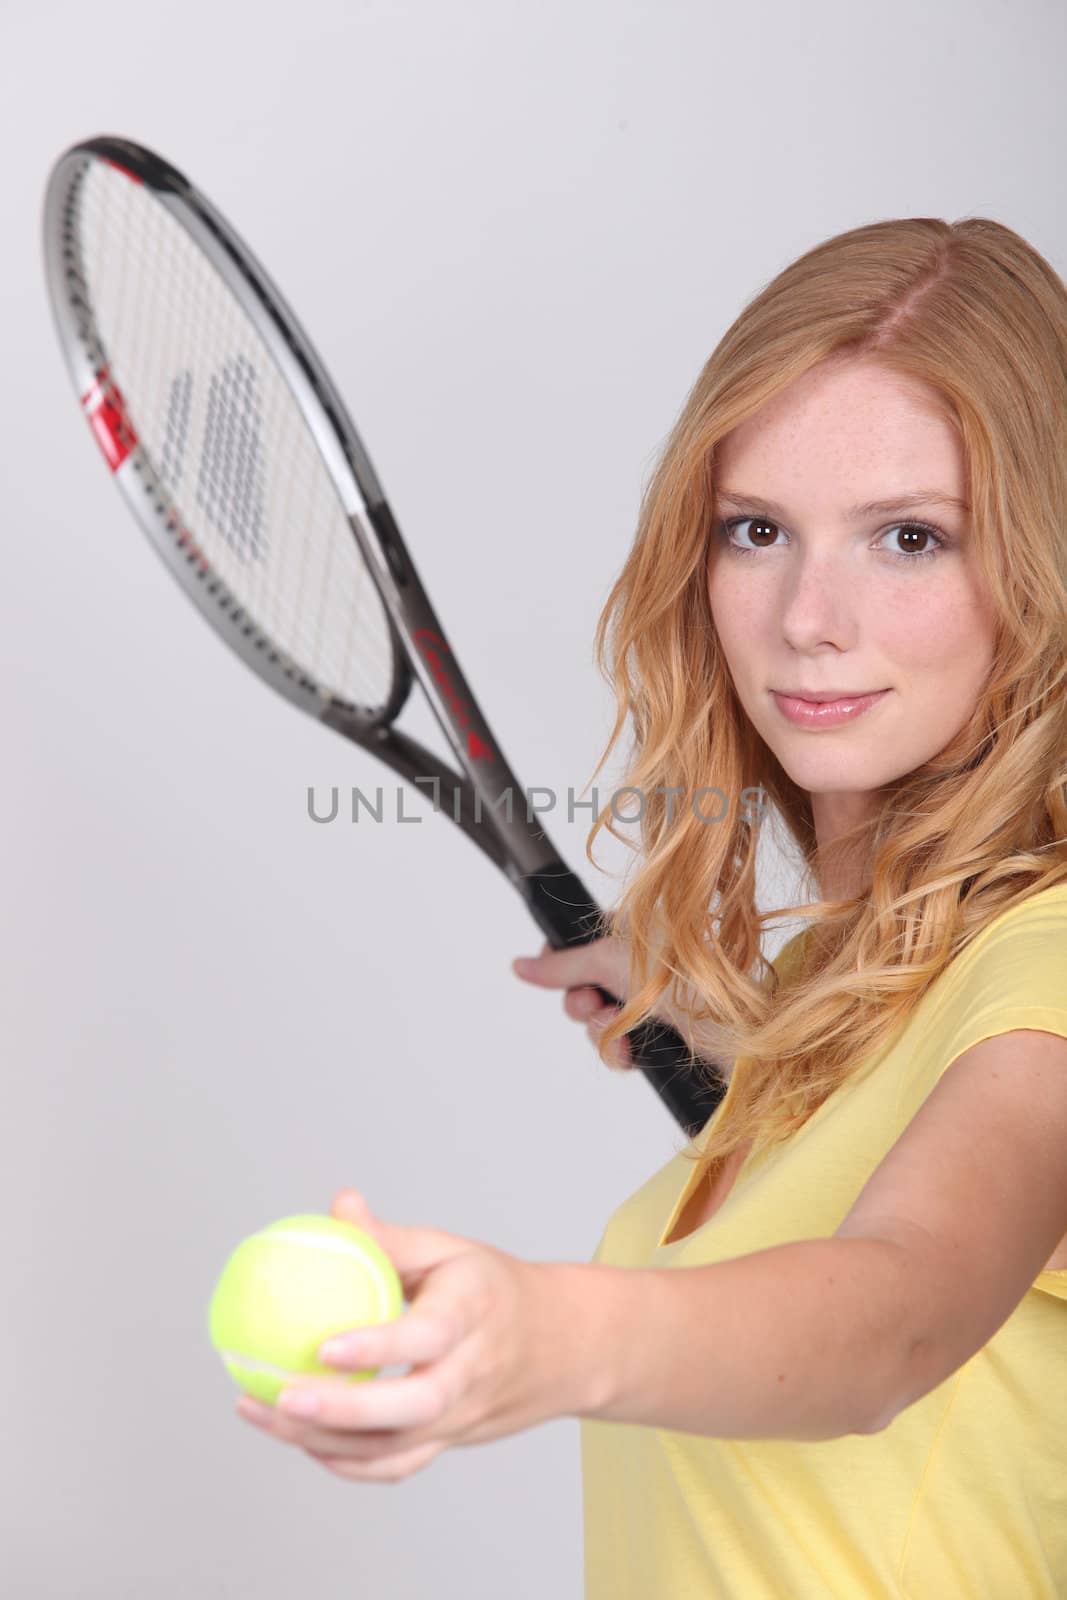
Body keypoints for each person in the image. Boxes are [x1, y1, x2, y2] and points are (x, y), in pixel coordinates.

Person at [235, 216, 1067, 1597]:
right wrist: (754, 1050)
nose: (808, 614)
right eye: (757, 531)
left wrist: (549, 1338)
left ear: (1039, 574)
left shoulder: (1050, 962)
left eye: (910, 537)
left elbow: (902, 1318)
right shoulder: (886, 1007)